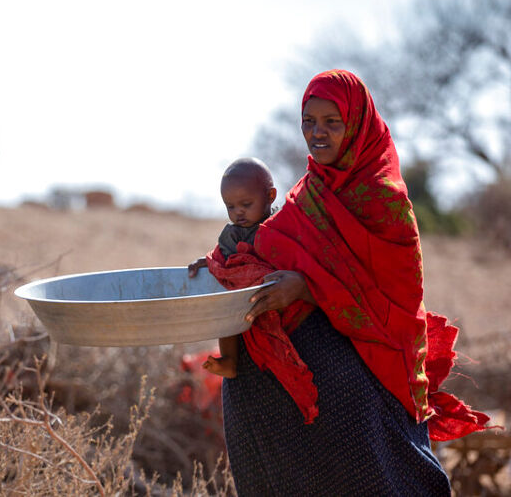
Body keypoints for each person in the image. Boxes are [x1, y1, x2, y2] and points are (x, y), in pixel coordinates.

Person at [210, 70, 490, 495]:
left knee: (358, 421)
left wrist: (306, 287)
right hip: (304, 354)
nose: (317, 133)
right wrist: (219, 260)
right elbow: (263, 245)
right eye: (308, 121)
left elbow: (396, 298)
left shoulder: (383, 198)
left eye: (331, 122)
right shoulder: (307, 193)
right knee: (247, 387)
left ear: (356, 123)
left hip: (368, 353)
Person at [188, 158, 277, 379]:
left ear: (270, 196)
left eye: (246, 205)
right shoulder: (232, 233)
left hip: (273, 299)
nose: (238, 212)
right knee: (224, 315)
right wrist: (208, 262)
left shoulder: (280, 225)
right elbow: (222, 258)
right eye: (230, 206)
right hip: (240, 302)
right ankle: (229, 360)